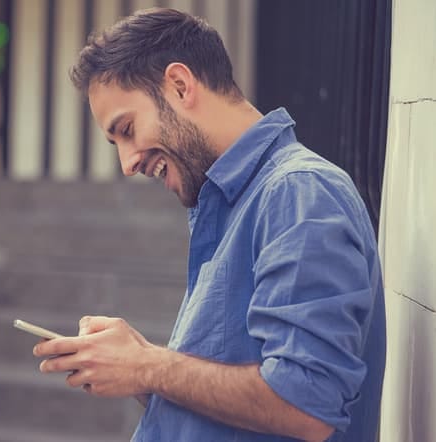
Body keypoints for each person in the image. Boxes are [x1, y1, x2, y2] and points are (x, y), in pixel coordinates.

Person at [33, 8, 386, 442]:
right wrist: (138, 366)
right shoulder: (233, 201)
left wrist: (148, 365)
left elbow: (305, 405)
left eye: (127, 129)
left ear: (180, 86)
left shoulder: (299, 193)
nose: (126, 164)